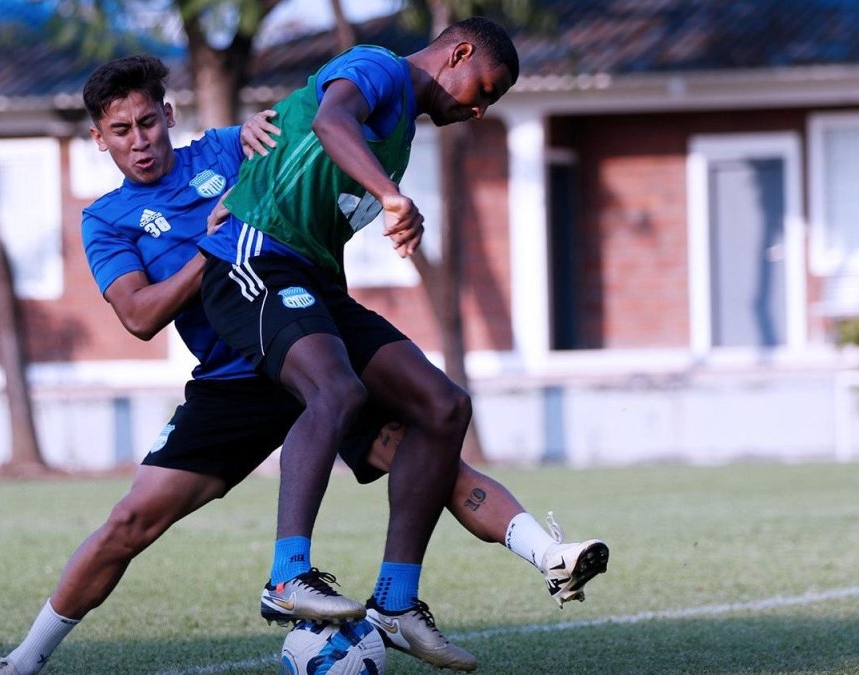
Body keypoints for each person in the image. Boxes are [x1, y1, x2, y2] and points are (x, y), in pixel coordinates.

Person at [0, 52, 606, 675]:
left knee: (432, 447)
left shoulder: (225, 146)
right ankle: (24, 658)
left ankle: (546, 554)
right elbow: (140, 313)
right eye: (121, 131)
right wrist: (213, 244)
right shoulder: (107, 220)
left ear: (169, 115)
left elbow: (305, 137)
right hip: (234, 379)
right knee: (131, 521)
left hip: (310, 340)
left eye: (148, 122)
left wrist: (312, 154)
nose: (140, 140)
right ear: (100, 139)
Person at [197, 16, 607, 669]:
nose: (477, 108)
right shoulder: (380, 66)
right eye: (484, 88)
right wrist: (391, 197)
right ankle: (287, 576)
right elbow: (331, 122)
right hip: (255, 255)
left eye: (491, 103)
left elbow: (305, 137)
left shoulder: (400, 134)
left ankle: (396, 599)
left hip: (314, 280)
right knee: (335, 387)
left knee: (444, 405)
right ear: (459, 52)